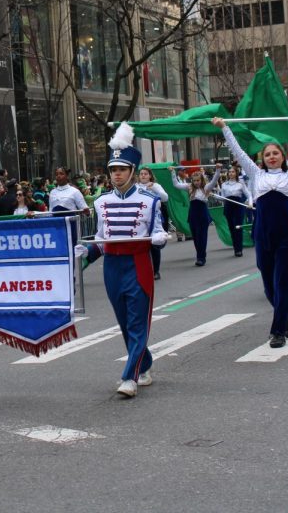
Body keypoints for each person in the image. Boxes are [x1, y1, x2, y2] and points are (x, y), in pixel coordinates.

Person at [212, 112, 288, 348]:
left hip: (287, 236)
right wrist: (224, 127)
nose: (272, 157)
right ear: (263, 159)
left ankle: (277, 330)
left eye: (275, 153)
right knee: (269, 285)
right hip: (263, 234)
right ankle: (284, 315)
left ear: (281, 155)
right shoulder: (256, 175)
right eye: (267, 154)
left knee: (283, 283)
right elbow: (237, 151)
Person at [76, 122, 169, 397]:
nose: (116, 175)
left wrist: (159, 238)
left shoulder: (150, 200)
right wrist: (88, 253)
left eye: (122, 170)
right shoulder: (101, 202)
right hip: (113, 268)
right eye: (113, 170)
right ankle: (145, 363)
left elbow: (158, 231)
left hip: (139, 264)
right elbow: (102, 239)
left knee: (138, 322)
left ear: (132, 172)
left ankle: (129, 377)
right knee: (125, 324)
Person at [170, 165, 220, 266]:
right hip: (193, 214)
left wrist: (218, 170)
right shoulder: (189, 187)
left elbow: (214, 181)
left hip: (202, 214)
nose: (196, 182)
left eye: (198, 180)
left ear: (201, 180)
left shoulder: (206, 188)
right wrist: (172, 172)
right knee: (196, 237)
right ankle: (200, 255)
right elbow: (176, 184)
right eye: (194, 180)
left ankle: (201, 258)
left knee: (202, 237)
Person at [137, 166, 169, 279]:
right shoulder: (136, 187)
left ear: (150, 175)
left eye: (146, 173)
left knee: (154, 244)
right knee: (141, 245)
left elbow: (165, 198)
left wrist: (153, 188)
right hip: (140, 218)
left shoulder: (156, 186)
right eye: (141, 174)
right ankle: (144, 270)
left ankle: (156, 270)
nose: (143, 175)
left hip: (154, 218)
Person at [217, 166, 253, 257]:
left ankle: (239, 249)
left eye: (233, 172)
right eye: (229, 172)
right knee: (232, 228)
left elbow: (249, 194)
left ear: (236, 173)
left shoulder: (240, 183)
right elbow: (222, 198)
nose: (231, 173)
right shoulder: (224, 184)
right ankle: (235, 248)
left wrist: (250, 202)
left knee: (238, 227)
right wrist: (212, 195)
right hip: (228, 207)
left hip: (238, 207)